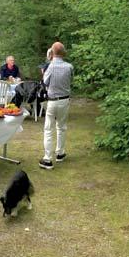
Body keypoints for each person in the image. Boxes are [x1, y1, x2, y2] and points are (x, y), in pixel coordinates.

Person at [39, 42, 74, 170]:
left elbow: (45, 82)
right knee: (62, 127)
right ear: (63, 52)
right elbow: (70, 80)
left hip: (52, 100)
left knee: (48, 129)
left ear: (52, 53)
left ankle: (47, 159)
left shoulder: (50, 67)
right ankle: (60, 153)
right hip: (64, 100)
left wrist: (44, 72)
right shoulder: (69, 66)